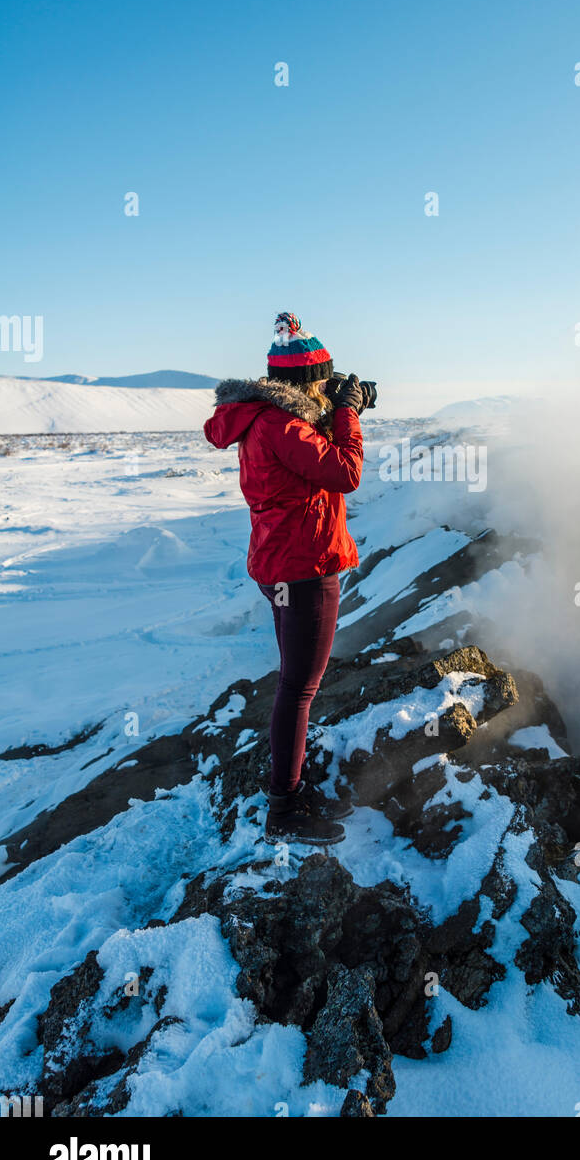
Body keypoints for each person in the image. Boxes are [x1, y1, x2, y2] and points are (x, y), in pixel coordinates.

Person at [203, 311, 373, 844]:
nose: (330, 386)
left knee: (294, 683)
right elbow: (345, 472)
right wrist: (347, 413)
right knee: (298, 688)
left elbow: (312, 461)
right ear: (308, 383)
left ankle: (289, 789)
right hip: (303, 569)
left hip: (281, 562)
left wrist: (339, 410)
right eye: (325, 379)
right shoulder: (284, 426)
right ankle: (285, 808)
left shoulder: (265, 419)